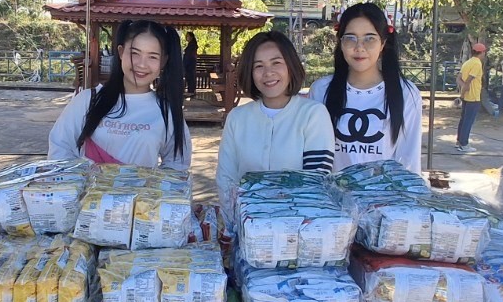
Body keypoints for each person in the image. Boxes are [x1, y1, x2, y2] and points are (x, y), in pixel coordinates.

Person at [48, 19, 191, 170]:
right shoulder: (88, 100)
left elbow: (178, 165)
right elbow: (60, 149)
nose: (142, 64)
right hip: (86, 186)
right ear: (121, 52)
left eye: (152, 56)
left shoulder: (167, 112)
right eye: (135, 53)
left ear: (163, 61)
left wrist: (150, 184)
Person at [216, 31, 334, 212]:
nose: (268, 73)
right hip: (245, 220)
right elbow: (226, 178)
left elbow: (316, 181)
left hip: (297, 220)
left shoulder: (313, 114)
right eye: (258, 66)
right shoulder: (237, 118)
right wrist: (237, 219)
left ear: (291, 65)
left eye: (276, 62)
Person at [309, 2, 423, 174]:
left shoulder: (406, 93)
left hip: (385, 191)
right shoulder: (320, 90)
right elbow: (314, 158)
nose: (359, 47)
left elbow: (409, 161)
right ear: (340, 42)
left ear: (383, 44)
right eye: (350, 38)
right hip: (332, 191)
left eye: (370, 38)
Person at [455, 42, 486, 153]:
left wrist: (463, 90)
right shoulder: (477, 64)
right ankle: (464, 144)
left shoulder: (467, 63)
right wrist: (464, 91)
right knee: (468, 121)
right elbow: (469, 80)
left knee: (463, 120)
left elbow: (458, 78)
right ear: (482, 52)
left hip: (466, 97)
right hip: (473, 96)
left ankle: (459, 141)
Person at [182, 31, 199, 99]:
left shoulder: (192, 45)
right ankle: (191, 90)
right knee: (190, 77)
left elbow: (189, 55)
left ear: (191, 37)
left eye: (188, 36)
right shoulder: (191, 44)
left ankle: (191, 91)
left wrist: (185, 64)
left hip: (190, 63)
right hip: (190, 63)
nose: (186, 37)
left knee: (190, 77)